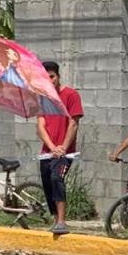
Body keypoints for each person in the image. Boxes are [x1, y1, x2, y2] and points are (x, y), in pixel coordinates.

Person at [37, 61, 84, 235]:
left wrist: (63, 148)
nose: (49, 80)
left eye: (52, 76)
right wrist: (51, 147)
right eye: (46, 77)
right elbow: (40, 126)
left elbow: (73, 123)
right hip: (47, 151)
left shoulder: (71, 95)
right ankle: (56, 220)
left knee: (57, 178)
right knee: (48, 183)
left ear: (58, 76)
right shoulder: (44, 97)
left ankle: (62, 221)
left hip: (66, 152)